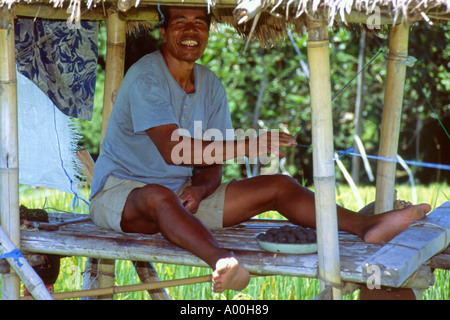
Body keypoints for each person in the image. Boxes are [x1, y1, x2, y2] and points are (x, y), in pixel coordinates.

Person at [89, 6, 431, 293]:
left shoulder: (211, 85)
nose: (190, 31)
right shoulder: (145, 76)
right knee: (157, 196)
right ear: (164, 32)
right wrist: (249, 146)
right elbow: (173, 150)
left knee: (280, 185)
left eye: (199, 23)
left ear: (208, 31)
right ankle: (222, 261)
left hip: (180, 198)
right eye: (180, 22)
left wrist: (201, 189)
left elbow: (210, 165)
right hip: (122, 193)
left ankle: (364, 226)